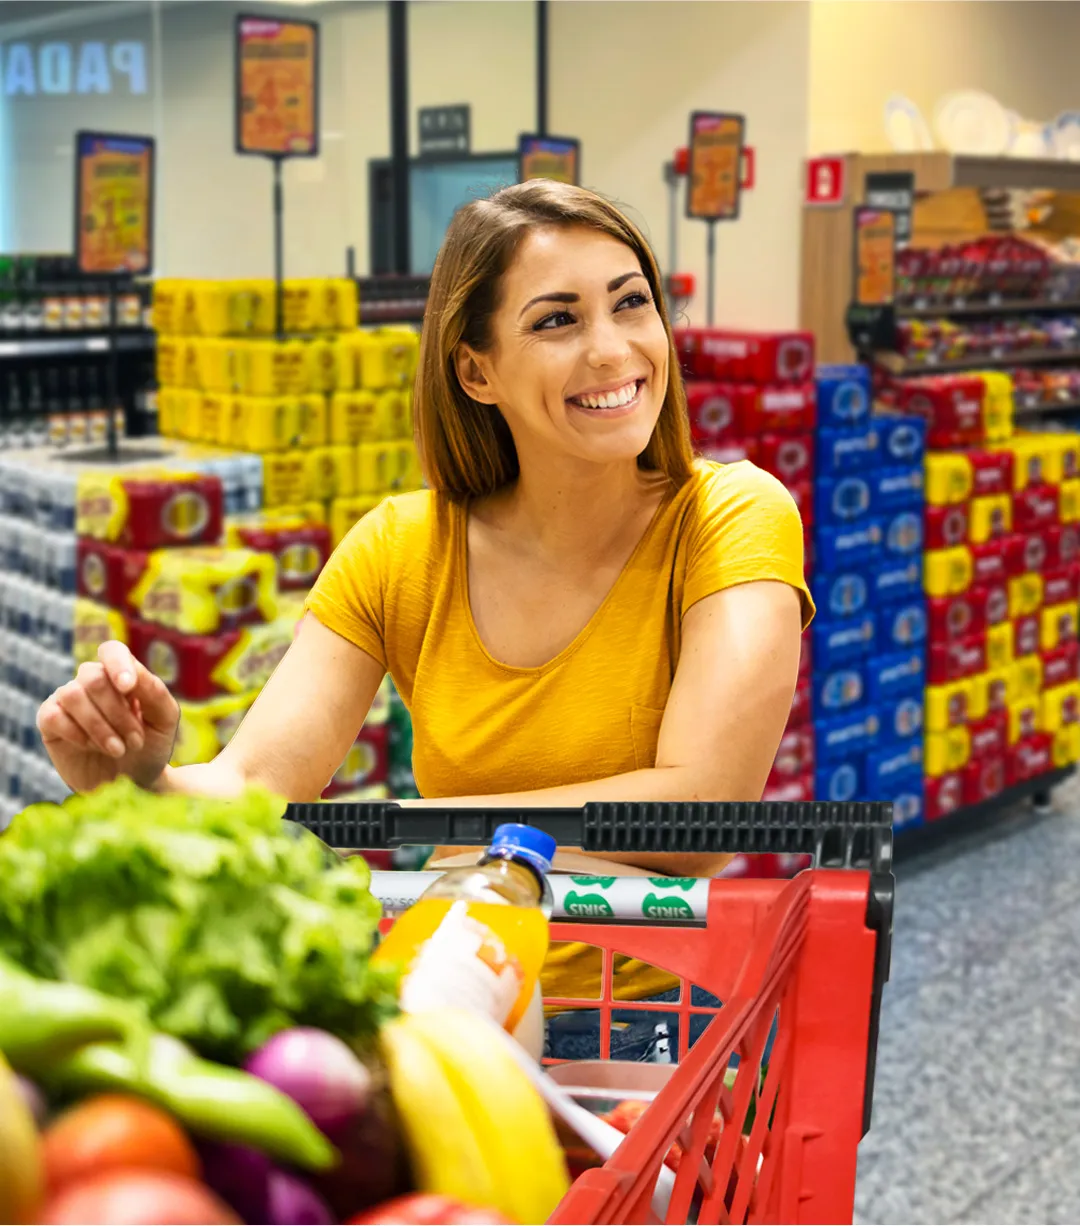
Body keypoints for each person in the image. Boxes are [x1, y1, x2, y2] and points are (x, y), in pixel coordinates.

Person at [36, 180, 814, 1035]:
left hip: (650, 1012)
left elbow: (702, 812)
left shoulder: (731, 517)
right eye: (557, 320)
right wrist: (147, 780)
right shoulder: (404, 548)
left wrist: (467, 840)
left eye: (632, 305)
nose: (612, 348)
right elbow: (255, 782)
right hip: (446, 991)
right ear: (476, 371)